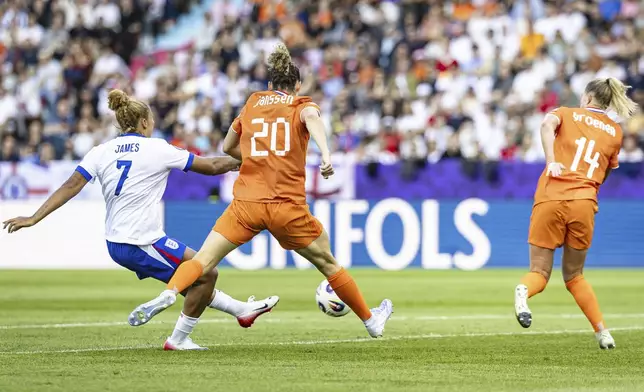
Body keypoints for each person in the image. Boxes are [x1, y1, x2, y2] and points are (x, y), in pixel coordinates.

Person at [129, 44, 394, 338]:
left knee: (202, 261)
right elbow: (312, 119)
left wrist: (255, 156)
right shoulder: (300, 103)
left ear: (269, 84)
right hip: (286, 207)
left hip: (247, 204)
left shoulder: (253, 102)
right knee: (328, 262)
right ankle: (371, 322)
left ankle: (170, 292)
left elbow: (228, 147)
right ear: (297, 85)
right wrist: (326, 154)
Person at [2, 90, 279, 351]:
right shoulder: (157, 149)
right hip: (141, 240)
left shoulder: (101, 151)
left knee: (195, 278)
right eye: (153, 120)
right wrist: (253, 160)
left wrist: (33, 217)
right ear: (144, 122)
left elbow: (70, 186)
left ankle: (242, 311)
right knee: (205, 274)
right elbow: (213, 166)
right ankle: (178, 340)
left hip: (119, 241)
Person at [514, 78, 638, 349]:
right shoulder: (614, 131)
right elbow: (605, 171)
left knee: (539, 272)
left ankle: (524, 290)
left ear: (588, 98)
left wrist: (552, 162)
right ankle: (603, 332)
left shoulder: (566, 113)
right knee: (574, 275)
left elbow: (546, 125)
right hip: (584, 202)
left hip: (551, 196)